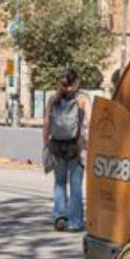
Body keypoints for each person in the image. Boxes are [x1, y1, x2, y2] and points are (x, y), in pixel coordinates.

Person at [43, 68, 90, 232]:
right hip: (76, 147)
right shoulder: (82, 99)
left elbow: (46, 124)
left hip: (56, 146)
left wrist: (46, 144)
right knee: (76, 185)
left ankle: (60, 217)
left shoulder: (53, 99)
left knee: (60, 183)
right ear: (76, 81)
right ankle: (76, 222)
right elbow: (90, 123)